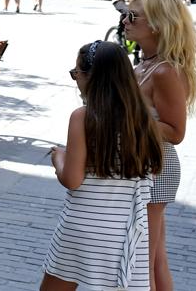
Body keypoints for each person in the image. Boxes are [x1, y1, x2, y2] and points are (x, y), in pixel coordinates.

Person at [41, 41, 163, 291]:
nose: (75, 79)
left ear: (91, 78)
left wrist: (58, 158)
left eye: (76, 73)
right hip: (125, 232)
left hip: (82, 226)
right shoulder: (145, 120)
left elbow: (72, 179)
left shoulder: (83, 117)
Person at [124, 0, 196, 291]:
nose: (125, 20)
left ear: (156, 24)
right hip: (146, 167)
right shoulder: (145, 65)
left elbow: (176, 131)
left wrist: (128, 119)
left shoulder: (165, 71)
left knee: (142, 260)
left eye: (133, 16)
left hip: (157, 170)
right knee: (154, 259)